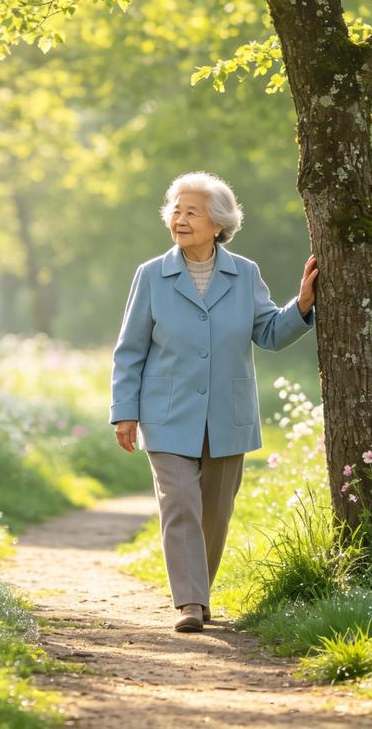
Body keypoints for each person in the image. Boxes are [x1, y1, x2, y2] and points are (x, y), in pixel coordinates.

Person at [109, 172, 318, 633]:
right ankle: (190, 603)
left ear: (218, 224)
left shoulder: (244, 274)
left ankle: (198, 594)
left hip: (228, 414)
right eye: (175, 211)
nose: (179, 220)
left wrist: (302, 305)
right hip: (165, 413)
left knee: (215, 512)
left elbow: (268, 332)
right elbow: (130, 350)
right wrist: (124, 412)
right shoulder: (151, 275)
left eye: (191, 212)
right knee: (180, 501)